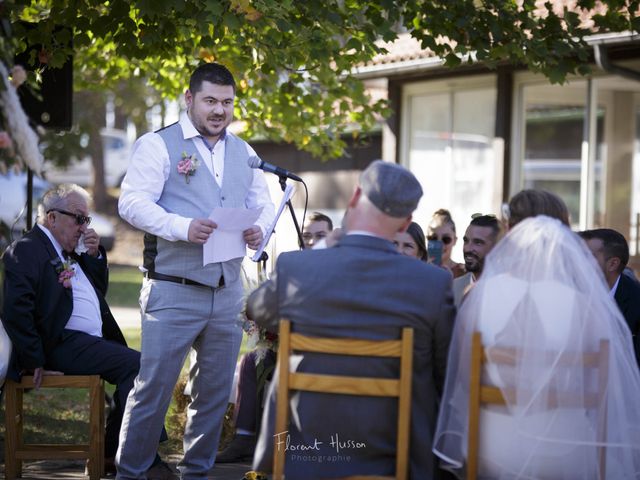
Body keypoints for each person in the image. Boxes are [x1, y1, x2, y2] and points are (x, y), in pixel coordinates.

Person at [116, 62, 275, 479]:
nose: (219, 110)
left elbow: (263, 203)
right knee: (152, 390)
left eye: (227, 102)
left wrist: (260, 231)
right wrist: (182, 227)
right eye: (210, 101)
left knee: (214, 393)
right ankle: (130, 473)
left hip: (227, 292)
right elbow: (131, 203)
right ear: (189, 99)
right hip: (172, 289)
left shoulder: (246, 152)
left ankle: (197, 473)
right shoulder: (158, 145)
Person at [249, 160, 455, 479]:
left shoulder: (299, 268)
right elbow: (445, 373)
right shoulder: (431, 284)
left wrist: (317, 251)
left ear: (355, 196)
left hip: (300, 450)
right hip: (394, 454)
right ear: (405, 224)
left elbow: (257, 309)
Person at [433, 214, 640, 478]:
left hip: (492, 447)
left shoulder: (479, 294)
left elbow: (462, 378)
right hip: (565, 449)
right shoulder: (585, 305)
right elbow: (602, 385)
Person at [1, 184, 161, 477]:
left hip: (83, 343)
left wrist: (94, 255)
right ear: (52, 218)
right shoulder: (26, 250)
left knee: (140, 368)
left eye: (86, 220)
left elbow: (97, 292)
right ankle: (130, 455)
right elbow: (16, 310)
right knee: (140, 366)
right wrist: (34, 358)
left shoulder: (68, 251)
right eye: (78, 218)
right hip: (58, 344)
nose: (83, 226)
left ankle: (114, 453)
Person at [579, 228, 640, 365]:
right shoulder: (568, 292)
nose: (578, 261)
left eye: (587, 256)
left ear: (612, 264)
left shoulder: (636, 300)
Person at [452, 214, 500, 308]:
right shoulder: (454, 287)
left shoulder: (508, 289)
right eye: (466, 241)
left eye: (478, 242)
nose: (467, 249)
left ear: (496, 248)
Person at [427, 209, 466, 278]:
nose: (439, 244)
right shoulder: (417, 271)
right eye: (434, 238)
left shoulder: (464, 272)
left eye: (446, 239)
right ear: (427, 238)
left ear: (455, 241)